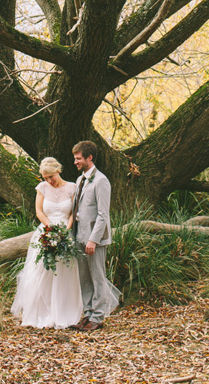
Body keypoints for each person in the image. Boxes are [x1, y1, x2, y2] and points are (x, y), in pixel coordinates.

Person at [11, 157, 82, 328]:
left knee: (64, 271)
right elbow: (39, 212)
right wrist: (51, 229)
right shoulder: (42, 188)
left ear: (58, 171)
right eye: (45, 178)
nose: (49, 181)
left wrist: (65, 231)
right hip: (46, 231)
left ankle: (62, 311)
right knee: (42, 271)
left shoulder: (72, 187)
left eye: (51, 176)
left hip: (65, 232)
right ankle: (42, 312)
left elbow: (73, 213)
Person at [71, 140, 120, 331]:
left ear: (89, 157)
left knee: (97, 278)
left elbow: (103, 214)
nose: (75, 162)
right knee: (84, 279)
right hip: (79, 236)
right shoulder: (80, 180)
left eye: (78, 158)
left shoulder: (101, 181)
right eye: (75, 158)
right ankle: (88, 314)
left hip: (95, 240)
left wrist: (93, 240)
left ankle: (98, 317)